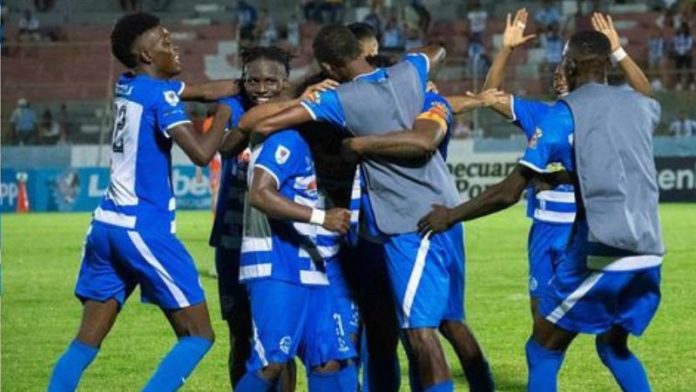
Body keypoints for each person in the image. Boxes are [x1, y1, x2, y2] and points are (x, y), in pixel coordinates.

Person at [419, 29, 663, 392]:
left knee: (542, 350)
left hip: (600, 253)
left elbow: (508, 192)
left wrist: (450, 216)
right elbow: (644, 99)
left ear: (569, 65)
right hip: (649, 255)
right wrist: (620, 51)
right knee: (613, 346)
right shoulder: (641, 106)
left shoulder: (564, 115)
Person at [237, 24, 475, 391]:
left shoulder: (337, 99)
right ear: (363, 52)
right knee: (405, 330)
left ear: (330, 69)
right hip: (409, 219)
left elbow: (255, 122)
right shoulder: (410, 73)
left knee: (406, 332)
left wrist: (305, 99)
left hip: (390, 224)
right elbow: (436, 49)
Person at [47, 13, 239, 392]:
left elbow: (197, 90)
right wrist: (224, 115)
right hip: (143, 229)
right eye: (166, 42)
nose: (174, 46)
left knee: (85, 343)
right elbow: (202, 154)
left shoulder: (129, 83)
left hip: (105, 226)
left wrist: (242, 86)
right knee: (199, 334)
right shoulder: (160, 96)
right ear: (147, 56)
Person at [234, 95, 357, 391]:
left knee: (328, 359)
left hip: (309, 265)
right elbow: (260, 194)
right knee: (271, 363)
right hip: (275, 263)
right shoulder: (287, 140)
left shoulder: (310, 149)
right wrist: (321, 217)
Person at [207, 46, 299, 390]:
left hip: (280, 243)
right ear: (241, 82)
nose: (261, 88)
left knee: (280, 343)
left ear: (285, 81)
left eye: (271, 81)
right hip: (232, 242)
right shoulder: (231, 110)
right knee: (240, 336)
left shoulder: (300, 113)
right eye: (253, 80)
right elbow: (224, 147)